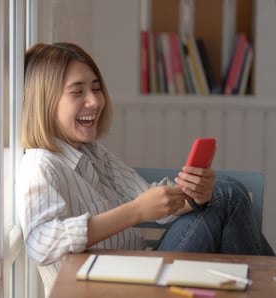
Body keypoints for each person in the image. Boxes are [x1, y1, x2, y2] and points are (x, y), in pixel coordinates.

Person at [16, 42, 274, 296]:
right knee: (227, 195)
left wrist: (196, 197)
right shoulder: (40, 164)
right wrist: (135, 211)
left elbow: (152, 201)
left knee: (223, 192)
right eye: (77, 92)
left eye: (96, 88)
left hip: (138, 271)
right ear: (45, 102)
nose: (94, 101)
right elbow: (41, 243)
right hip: (109, 289)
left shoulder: (93, 152)